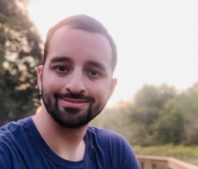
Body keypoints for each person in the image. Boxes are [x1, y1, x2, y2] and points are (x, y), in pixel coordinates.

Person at [0, 14, 141, 169]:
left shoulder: (115, 153)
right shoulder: (6, 153)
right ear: (40, 77)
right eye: (62, 68)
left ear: (111, 88)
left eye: (93, 72)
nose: (75, 86)